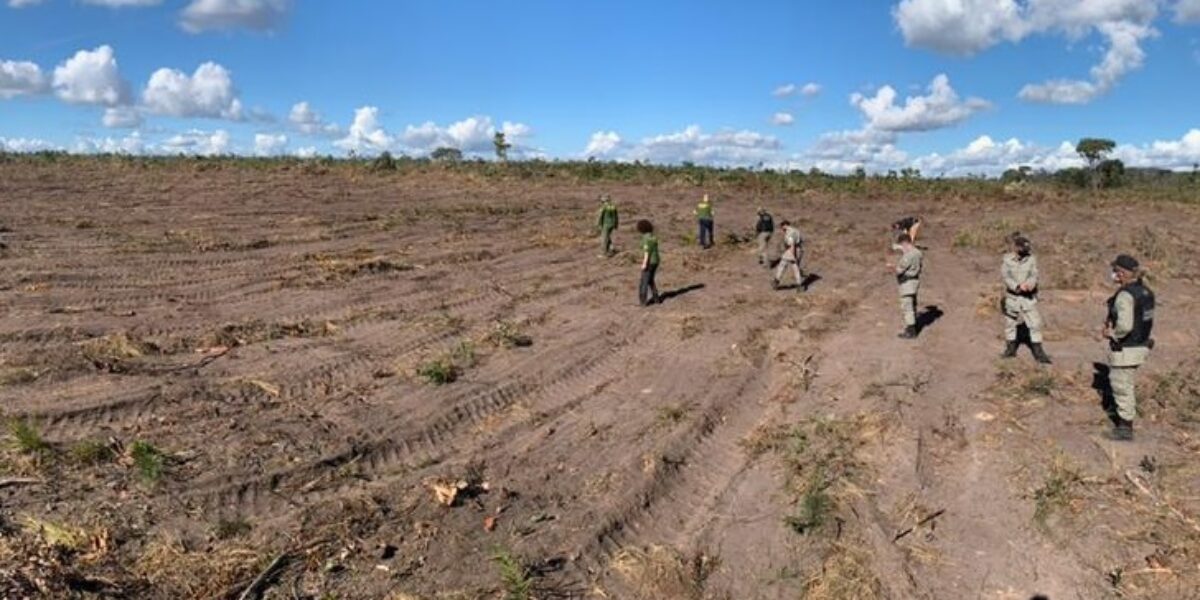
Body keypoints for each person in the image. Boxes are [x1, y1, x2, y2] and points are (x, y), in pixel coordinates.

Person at [1104, 254, 1155, 441]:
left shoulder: (1125, 295)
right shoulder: (1145, 291)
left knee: (1121, 385)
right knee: (1128, 384)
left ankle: (1125, 427)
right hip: (1141, 345)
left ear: (1122, 273)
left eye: (1116, 271)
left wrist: (1111, 334)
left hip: (1126, 349)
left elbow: (1125, 325)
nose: (1114, 275)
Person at [1001, 234, 1051, 364]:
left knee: (1035, 323)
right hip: (1013, 297)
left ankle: (1039, 352)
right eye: (1022, 248)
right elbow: (1006, 277)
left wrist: (1030, 285)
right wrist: (1017, 286)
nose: (1025, 251)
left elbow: (1034, 275)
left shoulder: (1031, 259)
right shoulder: (1007, 260)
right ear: (1016, 247)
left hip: (1027, 297)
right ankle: (1010, 349)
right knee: (1010, 324)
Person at [892, 233, 923, 339]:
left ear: (904, 243)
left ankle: (911, 331)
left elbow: (899, 270)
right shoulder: (918, 252)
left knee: (907, 307)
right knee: (913, 305)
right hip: (915, 282)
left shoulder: (908, 255)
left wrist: (892, 267)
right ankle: (913, 327)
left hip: (907, 284)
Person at [772, 220, 804, 291]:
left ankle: (776, 281)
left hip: (791, 250)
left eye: (782, 226)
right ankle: (799, 285)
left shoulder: (789, 232)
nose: (782, 228)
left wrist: (793, 255)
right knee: (796, 268)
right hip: (799, 249)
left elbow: (792, 244)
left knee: (782, 265)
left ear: (785, 225)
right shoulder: (796, 230)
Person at [637, 220, 661, 306]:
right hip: (656, 260)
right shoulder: (653, 237)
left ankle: (643, 301)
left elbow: (647, 252)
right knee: (651, 280)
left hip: (649, 262)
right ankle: (656, 298)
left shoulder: (645, 239)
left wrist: (644, 263)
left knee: (644, 281)